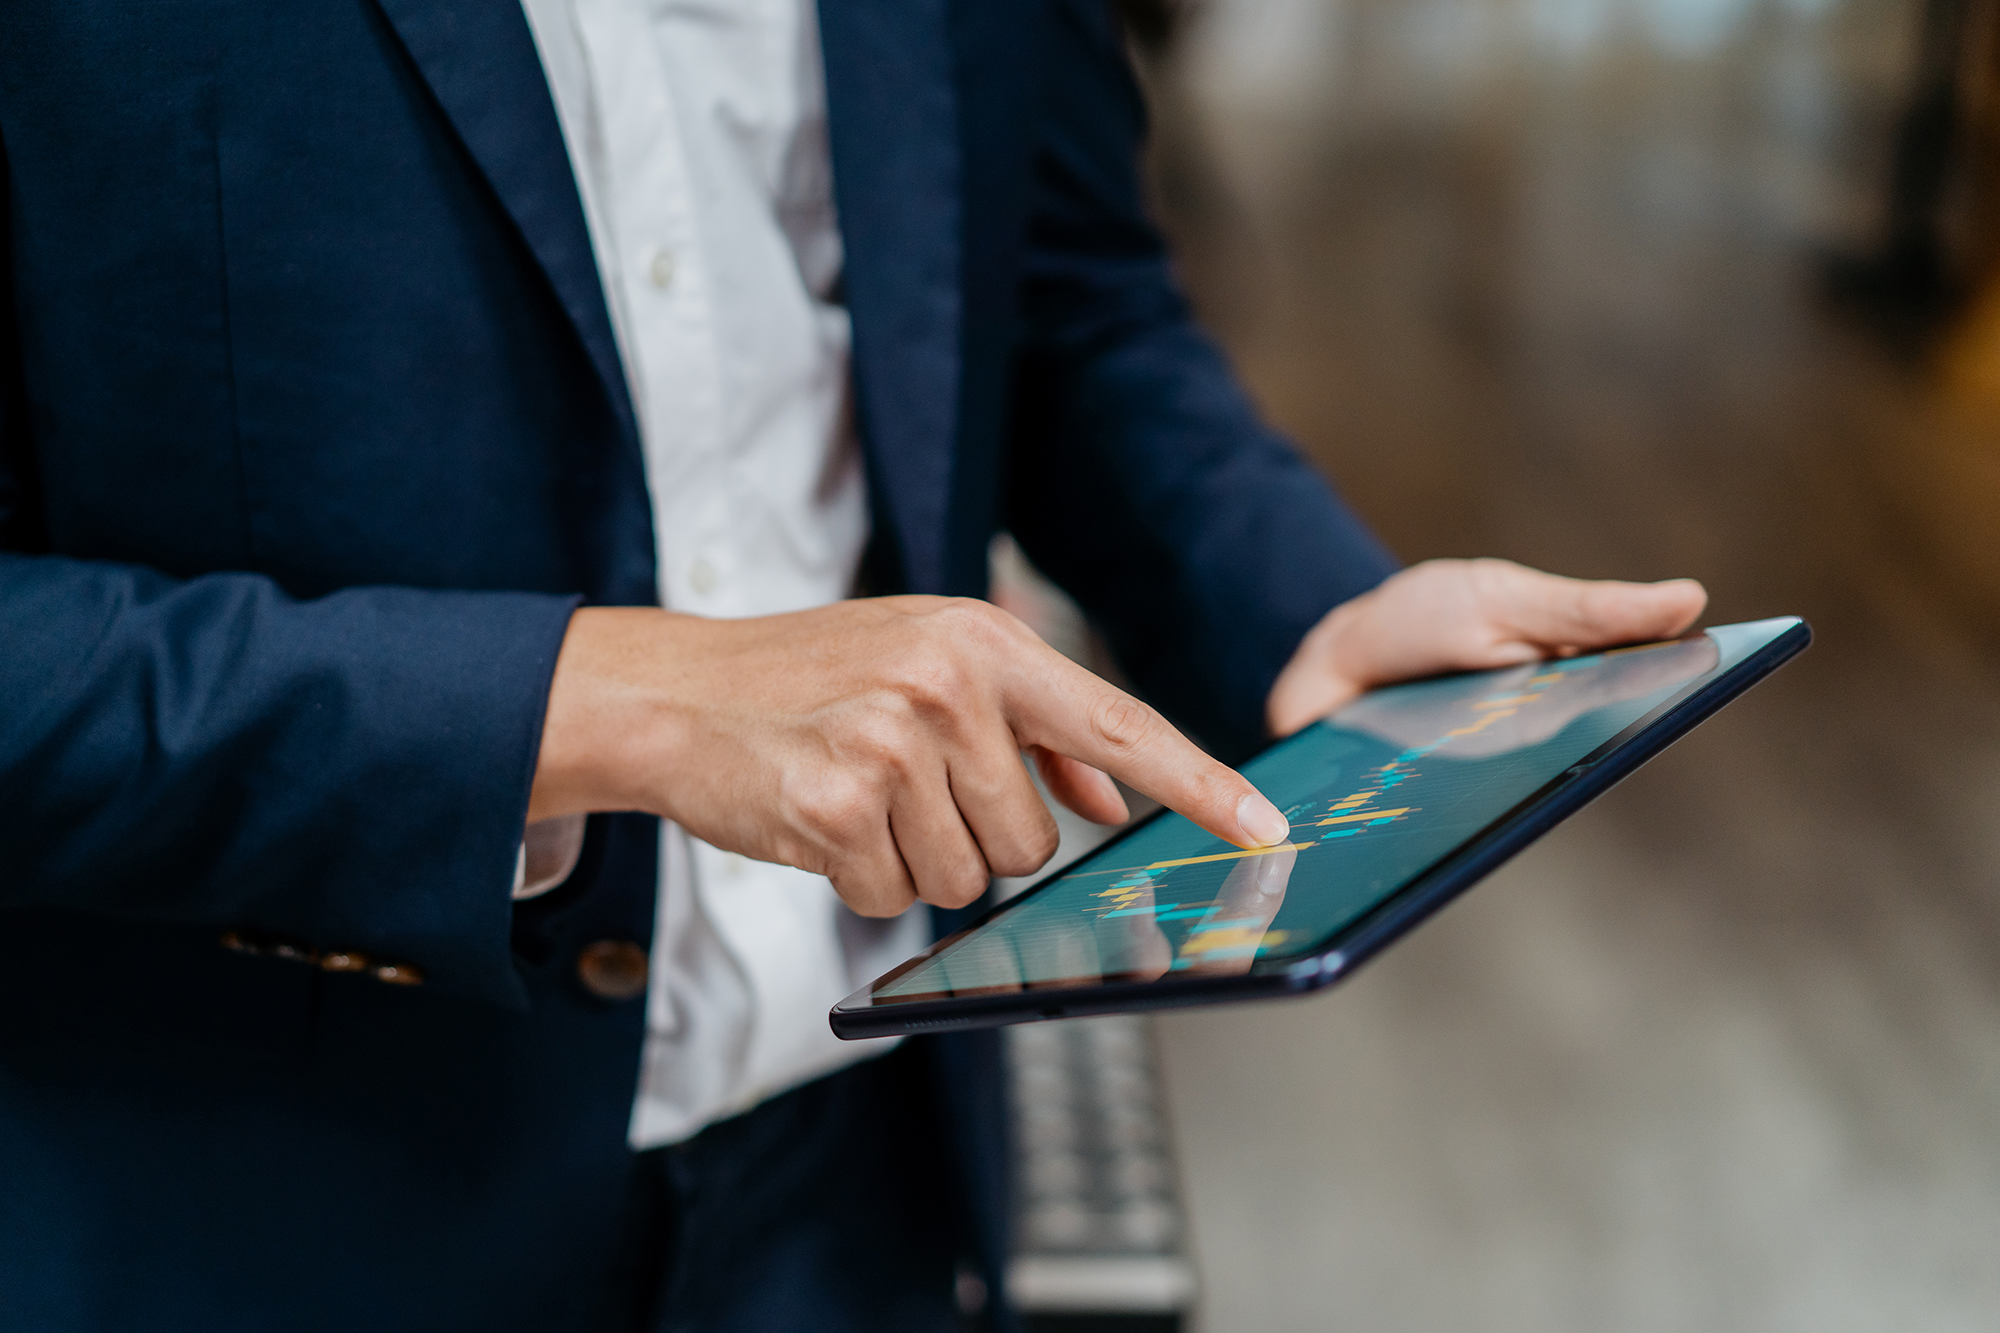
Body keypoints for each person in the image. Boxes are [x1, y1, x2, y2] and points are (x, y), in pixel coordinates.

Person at [0, 0, 1706, 1329]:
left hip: (861, 1171)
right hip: (250, 1206)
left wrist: (1298, 606)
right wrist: (600, 704)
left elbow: (1061, 295)